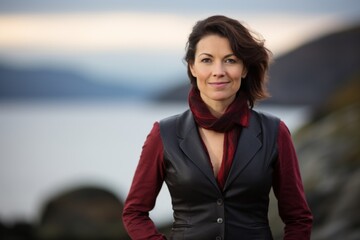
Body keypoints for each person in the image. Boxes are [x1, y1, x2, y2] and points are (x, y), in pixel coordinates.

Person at [122, 15, 313, 240]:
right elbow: (134, 213)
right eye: (207, 60)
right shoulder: (164, 134)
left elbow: (298, 217)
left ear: (244, 69)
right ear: (192, 67)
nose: (218, 70)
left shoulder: (274, 132)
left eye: (230, 60)